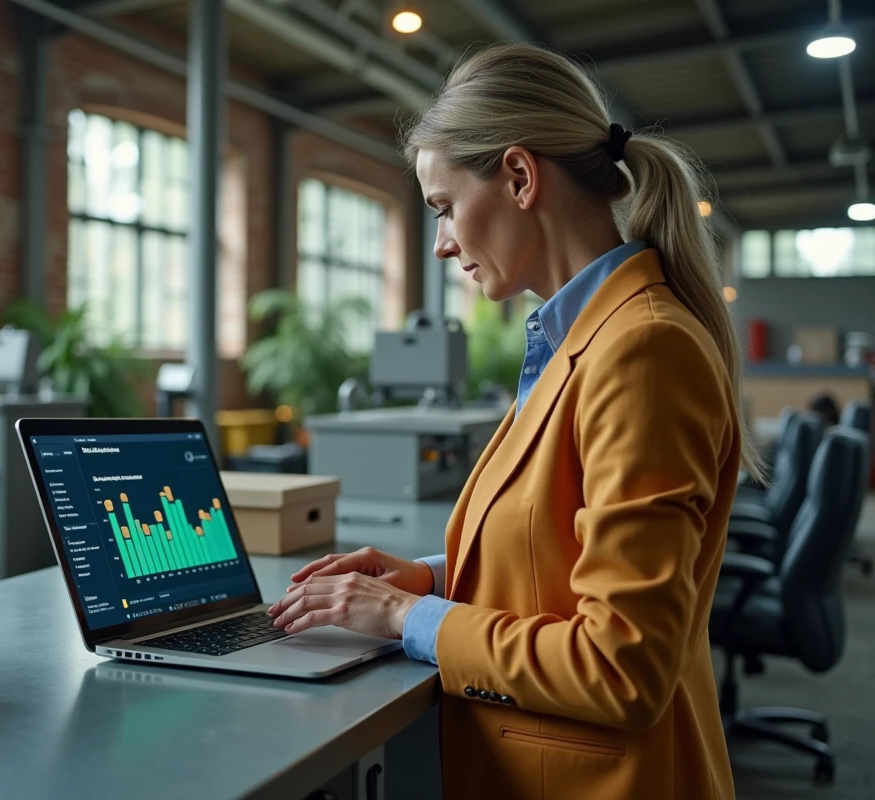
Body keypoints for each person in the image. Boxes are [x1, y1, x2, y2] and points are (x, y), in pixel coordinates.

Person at [266, 43, 763, 799]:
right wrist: (434, 576)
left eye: (443, 207)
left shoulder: (644, 348)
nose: (441, 243)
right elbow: (561, 553)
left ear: (521, 177)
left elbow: (622, 666)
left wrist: (407, 615)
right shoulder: (582, 340)